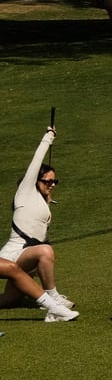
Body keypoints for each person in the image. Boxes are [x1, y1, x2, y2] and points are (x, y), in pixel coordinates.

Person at [1, 120, 69, 315]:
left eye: (55, 181)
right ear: (36, 180)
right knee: (45, 251)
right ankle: (52, 296)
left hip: (27, 259)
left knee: (9, 300)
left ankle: (47, 296)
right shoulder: (25, 191)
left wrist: (46, 201)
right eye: (48, 181)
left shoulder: (42, 201)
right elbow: (36, 162)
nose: (52, 184)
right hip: (13, 255)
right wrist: (48, 137)